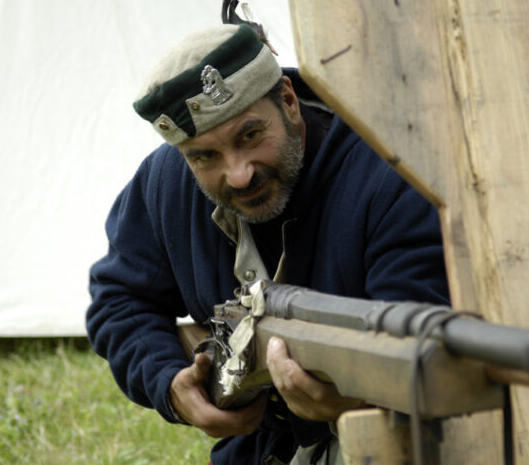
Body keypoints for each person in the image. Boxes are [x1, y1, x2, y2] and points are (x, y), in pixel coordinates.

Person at [86, 23, 450, 465]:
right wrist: (169, 385)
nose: (238, 174)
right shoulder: (167, 182)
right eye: (206, 157)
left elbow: (425, 347)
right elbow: (119, 299)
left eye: (250, 136)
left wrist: (353, 403)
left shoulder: (388, 172)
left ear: (290, 102)